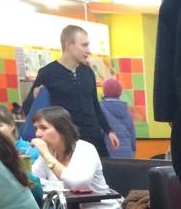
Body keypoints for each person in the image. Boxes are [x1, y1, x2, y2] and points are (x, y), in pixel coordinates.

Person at [29, 106, 122, 209]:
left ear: (62, 130)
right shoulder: (50, 152)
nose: (38, 134)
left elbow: (78, 183)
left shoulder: (84, 149)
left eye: (44, 128)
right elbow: (33, 180)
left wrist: (47, 156)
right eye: (36, 128)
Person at [23, 24, 120, 158]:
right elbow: (28, 109)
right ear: (69, 45)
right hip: (67, 140)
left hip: (93, 138)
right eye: (84, 45)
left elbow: (94, 104)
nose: (88, 50)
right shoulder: (47, 73)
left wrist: (108, 130)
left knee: (102, 170)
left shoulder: (88, 72)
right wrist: (34, 97)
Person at [99, 78, 136, 159]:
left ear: (104, 91)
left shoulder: (100, 108)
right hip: (127, 153)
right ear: (120, 92)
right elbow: (132, 132)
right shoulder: (126, 109)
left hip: (108, 151)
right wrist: (133, 150)